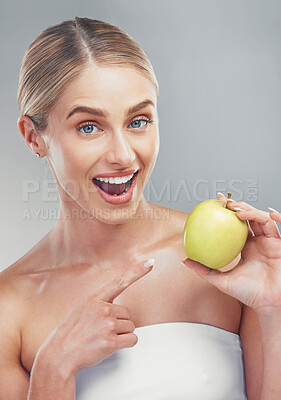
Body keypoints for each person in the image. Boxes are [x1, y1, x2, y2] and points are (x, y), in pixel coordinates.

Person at [0, 16, 280, 400]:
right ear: (34, 137)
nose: (123, 155)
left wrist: (273, 310)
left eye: (138, 120)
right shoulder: (10, 308)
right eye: (89, 126)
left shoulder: (232, 262)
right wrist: (53, 369)